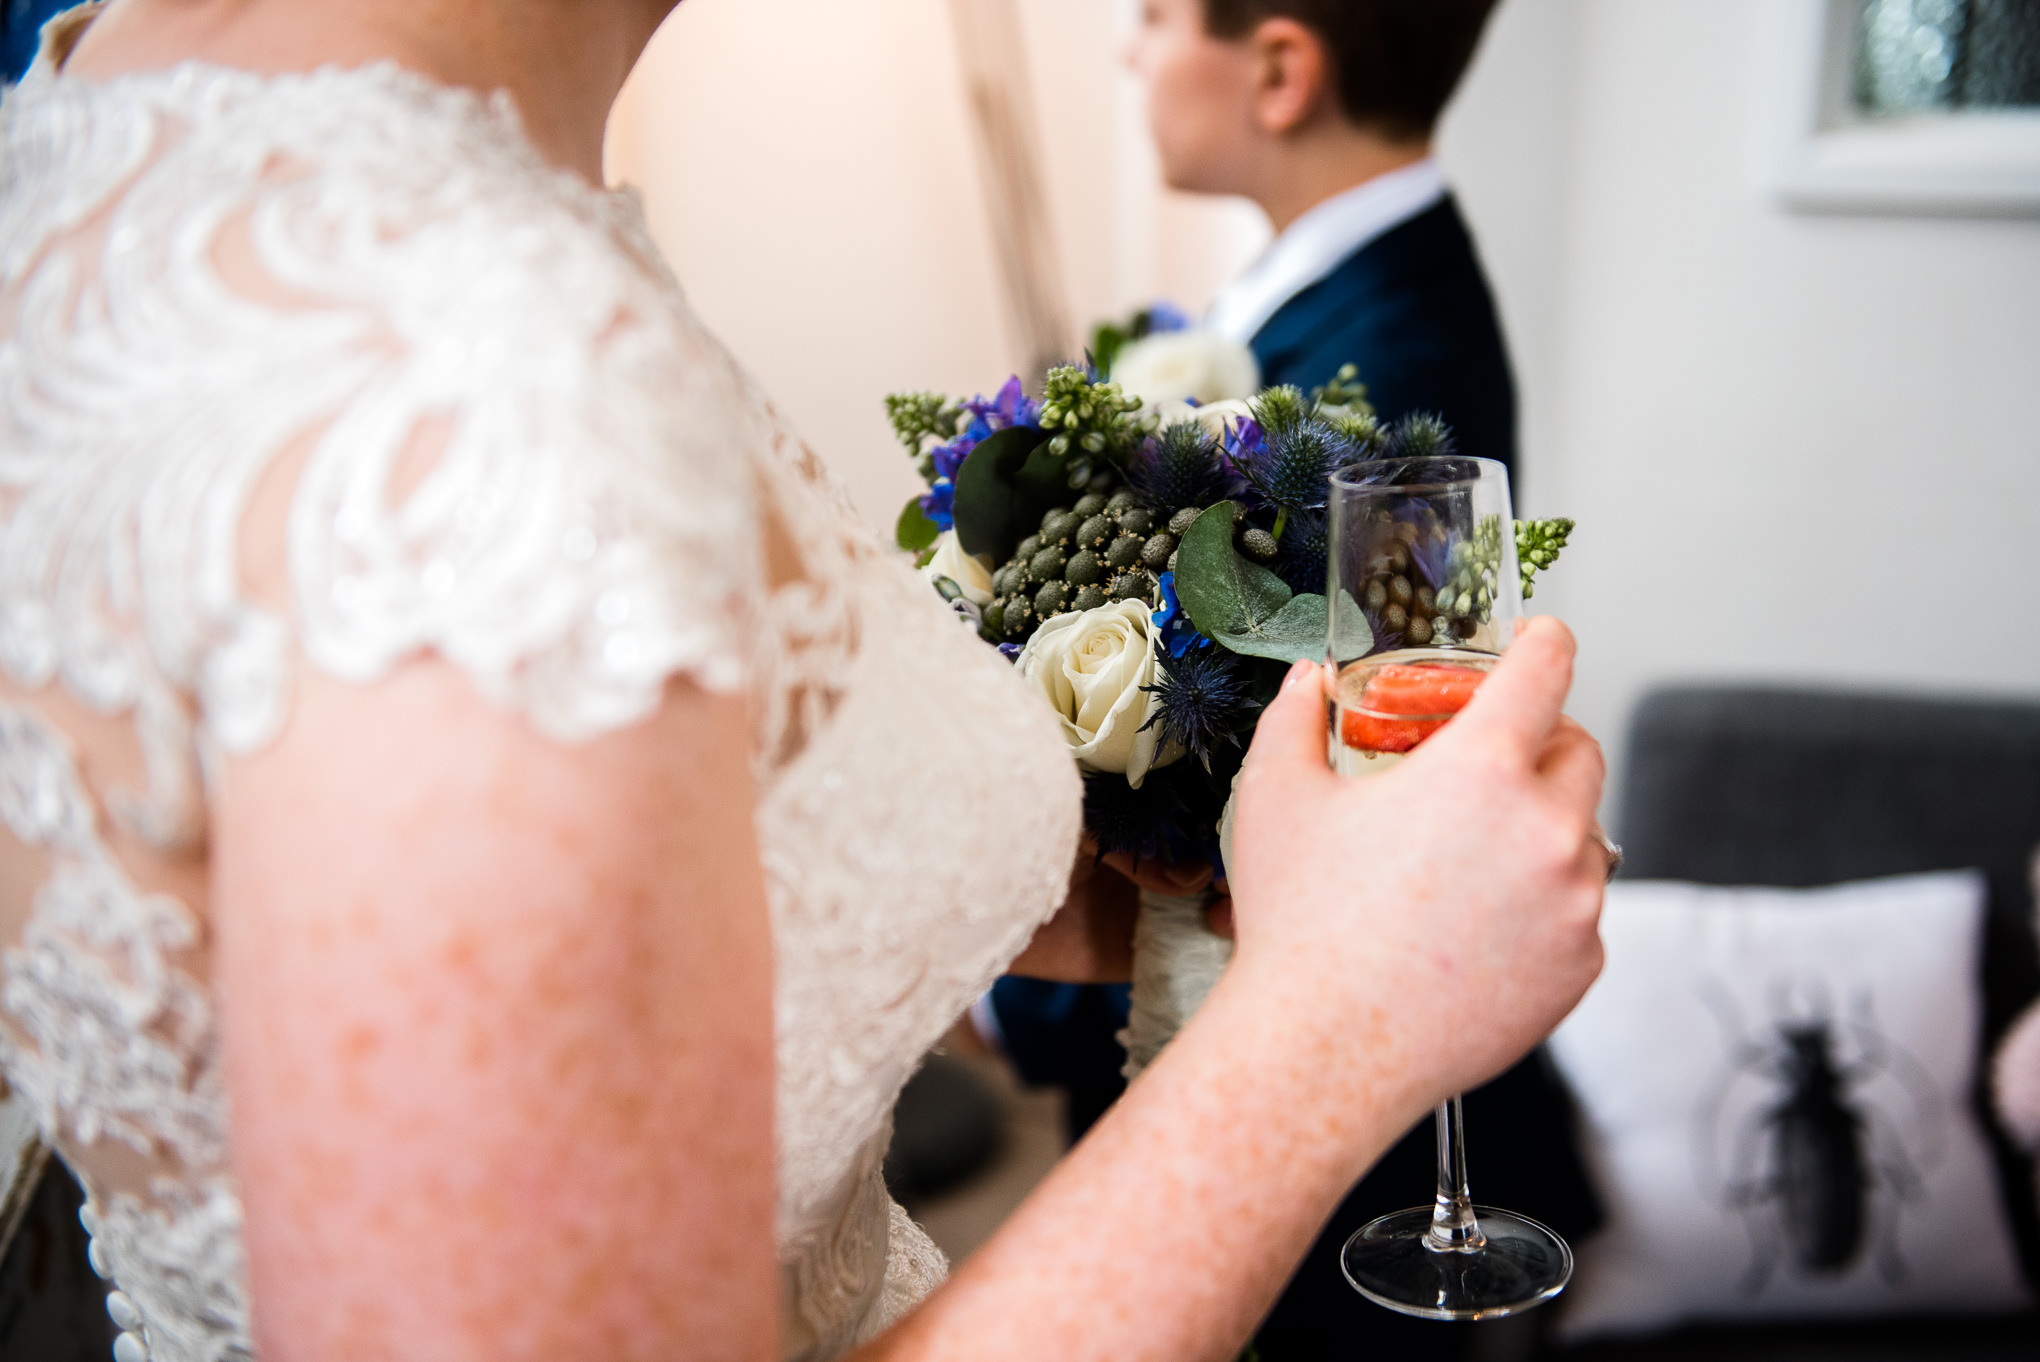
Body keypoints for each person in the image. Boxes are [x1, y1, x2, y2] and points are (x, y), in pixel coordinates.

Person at [0, 3, 1611, 1360]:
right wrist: (1338, 1015)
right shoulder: (467, 379)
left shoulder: (110, 114)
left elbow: (652, 876)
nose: (1127, 44)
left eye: (1157, 15)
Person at [991, 4, 1594, 1356]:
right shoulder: (1318, 301)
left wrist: (1000, 977)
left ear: (1279, 69)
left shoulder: (1393, 350)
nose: (1127, 52)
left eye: (1151, 19)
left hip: (1338, 1156)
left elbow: (1362, 789)